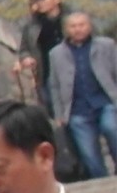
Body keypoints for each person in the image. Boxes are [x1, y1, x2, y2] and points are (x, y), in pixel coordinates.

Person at [47, 10, 117, 180]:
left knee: (112, 128)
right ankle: (102, 182)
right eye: (73, 26)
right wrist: (59, 114)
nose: (78, 29)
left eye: (81, 25)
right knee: (89, 152)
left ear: (89, 26)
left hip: (105, 101)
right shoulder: (56, 53)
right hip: (76, 108)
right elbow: (54, 85)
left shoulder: (106, 45)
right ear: (66, 29)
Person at [21, 0, 67, 96]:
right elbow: (23, 49)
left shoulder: (73, 19)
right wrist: (26, 58)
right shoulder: (32, 25)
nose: (40, 3)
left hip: (73, 73)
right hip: (46, 75)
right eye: (38, 0)